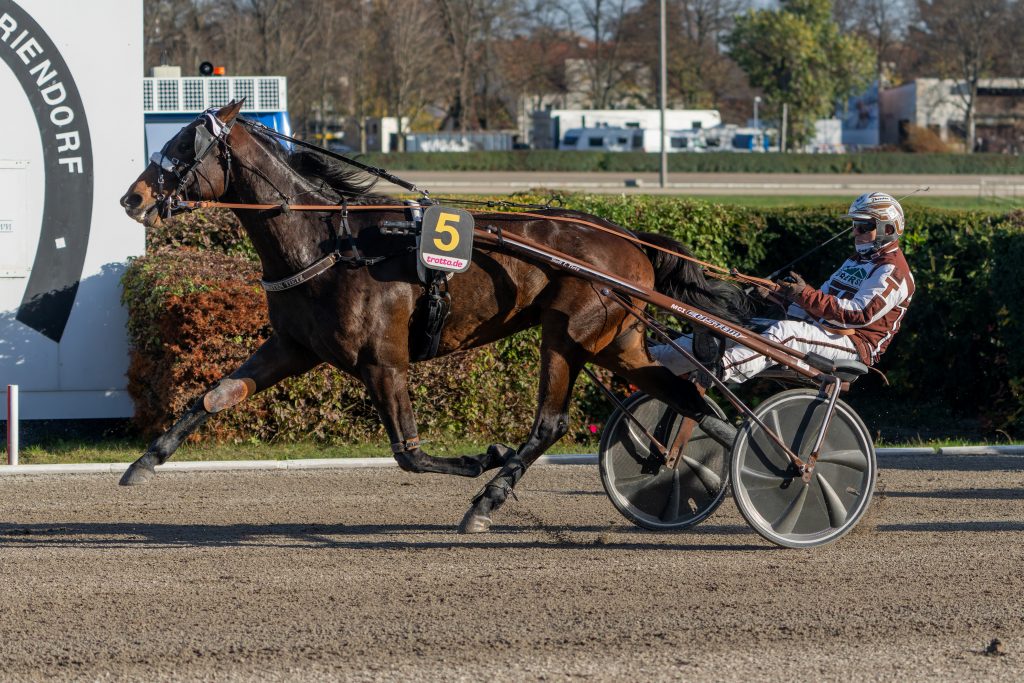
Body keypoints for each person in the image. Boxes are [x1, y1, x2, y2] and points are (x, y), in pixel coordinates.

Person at [651, 191, 915, 383]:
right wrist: (782, 297)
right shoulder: (855, 260)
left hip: (854, 346)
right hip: (821, 332)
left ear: (888, 228)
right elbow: (817, 304)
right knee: (734, 327)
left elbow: (857, 315)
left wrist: (804, 294)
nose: (855, 232)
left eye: (864, 226)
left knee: (787, 332)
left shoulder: (893, 271)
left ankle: (720, 370)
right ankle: (656, 359)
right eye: (855, 225)